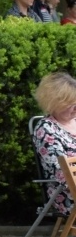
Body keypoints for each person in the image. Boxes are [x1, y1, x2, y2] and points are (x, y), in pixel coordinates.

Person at [32, 72, 76, 217]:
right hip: (68, 194)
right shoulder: (46, 129)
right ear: (56, 103)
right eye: (71, 104)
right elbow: (61, 172)